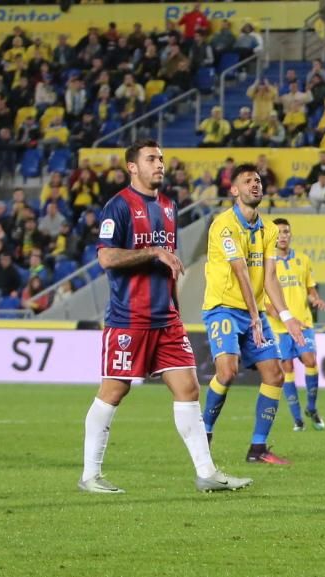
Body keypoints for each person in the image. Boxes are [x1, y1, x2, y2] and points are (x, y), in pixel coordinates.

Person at [78, 139, 251, 494]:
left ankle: (206, 472)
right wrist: (154, 250)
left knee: (188, 387)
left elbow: (169, 264)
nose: (159, 164)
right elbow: (107, 258)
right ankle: (90, 475)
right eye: (151, 159)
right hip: (130, 318)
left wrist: (174, 307)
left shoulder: (170, 207)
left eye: (161, 159)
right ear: (132, 167)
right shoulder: (118, 207)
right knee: (114, 389)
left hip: (166, 319)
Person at [201, 164, 306, 465]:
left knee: (274, 375)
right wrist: (256, 317)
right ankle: (204, 431)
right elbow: (240, 271)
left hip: (253, 312)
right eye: (247, 181)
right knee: (227, 371)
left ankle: (257, 449)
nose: (254, 185)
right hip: (223, 307)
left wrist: (286, 316)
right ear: (234, 190)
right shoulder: (224, 226)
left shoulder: (269, 229)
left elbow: (269, 276)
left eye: (258, 181)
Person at [266, 218, 325, 432]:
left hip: (303, 323)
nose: (283, 235)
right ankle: (297, 419)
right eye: (279, 232)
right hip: (279, 328)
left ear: (291, 235)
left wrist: (316, 299)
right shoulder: (267, 264)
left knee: (310, 360)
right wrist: (278, 314)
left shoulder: (303, 260)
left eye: (286, 232)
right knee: (287, 368)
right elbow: (265, 300)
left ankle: (311, 408)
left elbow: (310, 289)